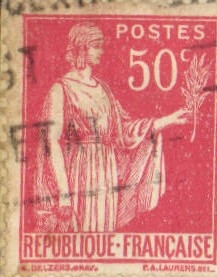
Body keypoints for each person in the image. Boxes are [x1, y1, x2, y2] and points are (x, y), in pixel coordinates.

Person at [34, 23, 188, 232]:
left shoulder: (103, 89)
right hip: (80, 174)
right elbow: (51, 143)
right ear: (83, 48)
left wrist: (167, 120)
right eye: (96, 46)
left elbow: (123, 131)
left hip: (106, 174)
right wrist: (64, 196)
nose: (101, 51)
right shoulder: (61, 89)